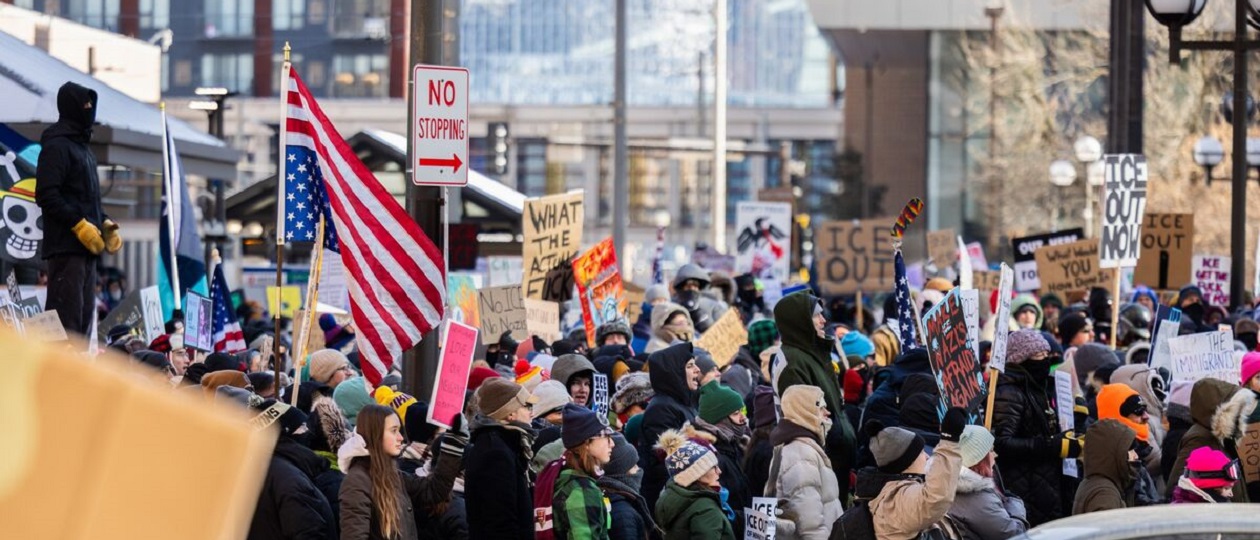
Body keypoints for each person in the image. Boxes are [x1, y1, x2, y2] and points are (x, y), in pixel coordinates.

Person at [36, 81, 122, 335]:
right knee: (66, 326)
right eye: (84, 104)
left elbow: (87, 199)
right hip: (66, 249)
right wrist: (78, 224)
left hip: (86, 251)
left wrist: (102, 221)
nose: (89, 109)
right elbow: (46, 194)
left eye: (91, 105)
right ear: (71, 107)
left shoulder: (84, 149)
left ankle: (75, 366)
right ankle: (59, 373)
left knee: (82, 322)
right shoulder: (57, 146)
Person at [990, 329, 1080, 526]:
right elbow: (1002, 444)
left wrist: (1077, 421)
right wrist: (1051, 446)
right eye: (1038, 355)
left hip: (1045, 482)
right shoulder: (1009, 392)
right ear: (1021, 360)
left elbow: (1047, 427)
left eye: (1046, 355)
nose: (1045, 360)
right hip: (1025, 487)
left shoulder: (1039, 387)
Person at [771, 290, 856, 496]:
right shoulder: (793, 363)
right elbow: (804, 420)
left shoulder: (812, 352)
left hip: (835, 461)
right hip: (820, 464)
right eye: (817, 315)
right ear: (800, 321)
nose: (823, 320)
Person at [339, 404, 462, 540]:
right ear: (376, 433)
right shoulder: (357, 481)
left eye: (399, 430)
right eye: (394, 430)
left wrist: (453, 447)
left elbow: (434, 490)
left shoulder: (391, 473)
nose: (400, 437)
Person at [865, 407, 967, 540]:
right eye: (920, 452)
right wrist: (949, 440)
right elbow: (935, 498)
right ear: (907, 461)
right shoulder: (897, 499)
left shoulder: (898, 489)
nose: (926, 456)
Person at [248, 400, 338, 540]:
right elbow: (308, 532)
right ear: (284, 433)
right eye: (301, 426)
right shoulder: (288, 478)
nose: (307, 431)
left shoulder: (265, 469)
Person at [465, 377, 539, 539]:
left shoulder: (505, 444)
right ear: (510, 413)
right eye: (527, 406)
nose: (532, 413)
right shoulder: (495, 453)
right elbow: (501, 523)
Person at [765, 385, 842, 540]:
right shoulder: (800, 454)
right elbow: (809, 522)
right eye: (821, 408)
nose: (827, 413)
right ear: (804, 411)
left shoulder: (802, 447)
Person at [1166, 378, 1252, 502]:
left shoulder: (1221, 436)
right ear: (1220, 410)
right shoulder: (1199, 438)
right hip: (1214, 516)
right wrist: (1214, 498)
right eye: (1234, 409)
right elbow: (1178, 485)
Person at [638, 342, 701, 511]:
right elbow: (668, 461)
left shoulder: (684, 403)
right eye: (690, 366)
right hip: (671, 500)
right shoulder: (661, 409)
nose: (697, 370)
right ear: (674, 373)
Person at [686, 381, 752, 536]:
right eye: (736, 414)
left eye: (742, 411)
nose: (743, 418)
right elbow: (719, 512)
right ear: (720, 419)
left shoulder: (734, 444)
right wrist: (745, 520)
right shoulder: (711, 458)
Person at [945, 425, 1029, 540]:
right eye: (991, 450)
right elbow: (1014, 535)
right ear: (979, 460)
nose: (995, 455)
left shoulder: (942, 483)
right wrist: (1016, 504)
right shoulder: (978, 500)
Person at [652, 430, 736, 540]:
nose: (719, 471)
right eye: (713, 467)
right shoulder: (706, 509)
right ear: (696, 474)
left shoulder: (674, 497)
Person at [552, 404, 616, 539]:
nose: (612, 444)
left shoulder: (570, 480)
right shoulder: (582, 490)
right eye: (606, 436)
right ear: (586, 443)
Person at [1096, 383, 1162, 503]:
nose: (1146, 416)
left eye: (1145, 410)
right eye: (1139, 411)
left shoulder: (1133, 452)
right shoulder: (1118, 459)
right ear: (1117, 416)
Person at [598, 433, 662, 540]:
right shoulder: (623, 514)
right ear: (620, 472)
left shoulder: (622, 500)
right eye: (634, 466)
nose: (639, 470)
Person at [1072, 419, 1138, 515]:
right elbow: (1110, 529)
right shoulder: (1105, 495)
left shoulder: (1097, 485)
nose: (1136, 456)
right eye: (1130, 450)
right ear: (1113, 453)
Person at [1171, 447, 1239, 504]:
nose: (1231, 494)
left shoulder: (1199, 505)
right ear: (1208, 488)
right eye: (1226, 488)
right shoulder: (1191, 514)